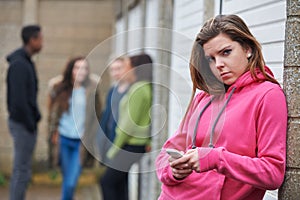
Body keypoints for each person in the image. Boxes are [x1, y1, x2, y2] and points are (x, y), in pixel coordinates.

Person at [156, 14, 287, 200]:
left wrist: (214, 158)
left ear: (248, 49)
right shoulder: (204, 97)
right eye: (210, 59)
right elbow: (164, 154)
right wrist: (173, 171)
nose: (219, 65)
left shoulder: (268, 95)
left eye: (226, 52)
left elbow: (272, 173)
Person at [100, 54, 153, 200]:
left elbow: (128, 125)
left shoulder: (138, 89)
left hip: (130, 144)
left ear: (135, 68)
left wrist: (114, 150)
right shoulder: (145, 87)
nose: (124, 70)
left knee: (106, 182)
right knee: (120, 183)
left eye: (126, 66)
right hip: (134, 144)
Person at [47, 56, 101, 200]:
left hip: (80, 142)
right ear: (71, 69)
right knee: (67, 179)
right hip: (64, 139)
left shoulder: (92, 88)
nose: (81, 71)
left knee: (71, 182)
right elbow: (52, 114)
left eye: (84, 68)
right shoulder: (60, 87)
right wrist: (53, 133)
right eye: (77, 68)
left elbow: (98, 114)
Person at [6, 25, 43, 200]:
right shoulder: (19, 65)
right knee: (21, 170)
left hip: (26, 123)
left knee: (24, 170)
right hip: (22, 124)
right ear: (32, 40)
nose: (42, 42)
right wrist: (30, 123)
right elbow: (18, 101)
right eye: (40, 39)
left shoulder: (26, 62)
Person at [98, 56, 130, 163]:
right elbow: (107, 114)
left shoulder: (131, 90)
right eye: (112, 70)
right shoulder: (113, 90)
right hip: (110, 136)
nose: (115, 72)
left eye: (119, 68)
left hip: (124, 139)